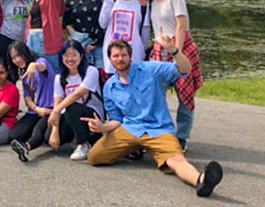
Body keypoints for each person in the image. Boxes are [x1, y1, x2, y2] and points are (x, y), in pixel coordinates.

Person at [84, 39, 223, 198]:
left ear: (130, 56)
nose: (120, 59)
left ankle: (201, 180)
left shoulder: (150, 69)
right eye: (115, 56)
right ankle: (135, 148)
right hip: (130, 129)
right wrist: (102, 127)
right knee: (94, 157)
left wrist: (174, 52)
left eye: (123, 55)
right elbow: (116, 119)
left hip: (159, 129)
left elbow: (185, 69)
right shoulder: (110, 87)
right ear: (110, 59)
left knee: (176, 160)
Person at [12, 40, 104, 162]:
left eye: (74, 55)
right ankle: (27, 147)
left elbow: (77, 94)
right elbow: (57, 103)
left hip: (92, 117)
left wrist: (55, 112)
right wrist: (55, 130)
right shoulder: (60, 78)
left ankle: (83, 144)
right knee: (47, 134)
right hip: (69, 115)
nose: (70, 59)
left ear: (81, 56)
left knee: (71, 107)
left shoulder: (91, 71)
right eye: (66, 55)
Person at [143, 0, 203, 152]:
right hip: (159, 50)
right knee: (154, 94)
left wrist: (177, 50)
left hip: (180, 47)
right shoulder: (151, 1)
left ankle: (182, 137)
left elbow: (181, 25)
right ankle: (156, 132)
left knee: (185, 95)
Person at [99, 0, 149, 74]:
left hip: (134, 52)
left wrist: (143, 51)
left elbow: (145, 29)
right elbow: (102, 24)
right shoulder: (112, 0)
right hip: (113, 51)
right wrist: (107, 3)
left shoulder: (143, 3)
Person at [7, 41, 55, 144]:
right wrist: (37, 109)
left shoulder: (41, 62)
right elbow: (27, 98)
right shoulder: (24, 74)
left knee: (40, 135)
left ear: (26, 52)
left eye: (19, 55)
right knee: (15, 136)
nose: (17, 60)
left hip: (49, 110)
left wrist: (34, 65)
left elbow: (42, 66)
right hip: (35, 111)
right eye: (14, 58)